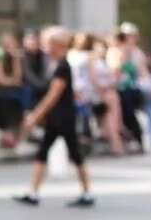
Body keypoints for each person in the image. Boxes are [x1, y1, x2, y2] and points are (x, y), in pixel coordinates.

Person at [13, 26, 94, 207]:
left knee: (74, 154)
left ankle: (87, 192)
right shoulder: (56, 64)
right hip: (57, 117)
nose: (45, 47)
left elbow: (53, 95)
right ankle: (33, 192)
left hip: (64, 117)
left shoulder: (62, 66)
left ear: (58, 45)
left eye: (48, 43)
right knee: (44, 152)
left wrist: (35, 115)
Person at [108, 25, 144, 152]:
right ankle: (134, 140)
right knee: (128, 115)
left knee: (127, 115)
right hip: (128, 87)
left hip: (123, 87)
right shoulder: (128, 50)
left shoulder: (118, 51)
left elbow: (117, 70)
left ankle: (134, 140)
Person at [90, 37, 123, 157]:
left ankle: (115, 146)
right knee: (107, 121)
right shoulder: (95, 62)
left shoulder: (107, 61)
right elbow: (94, 79)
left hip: (110, 92)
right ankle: (114, 146)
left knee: (112, 120)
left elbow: (116, 76)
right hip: (103, 93)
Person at [0, 32, 24, 143]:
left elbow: (19, 77)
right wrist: (13, 82)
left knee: (18, 100)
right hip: (1, 90)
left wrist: (15, 58)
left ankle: (13, 135)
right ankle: (5, 134)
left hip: (13, 90)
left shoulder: (16, 56)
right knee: (3, 100)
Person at [22, 30, 48, 111]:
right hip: (28, 84)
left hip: (42, 83)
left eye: (35, 42)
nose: (33, 44)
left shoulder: (43, 55)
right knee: (29, 90)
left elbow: (46, 71)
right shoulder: (23, 55)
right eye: (31, 42)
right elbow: (28, 75)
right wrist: (41, 85)